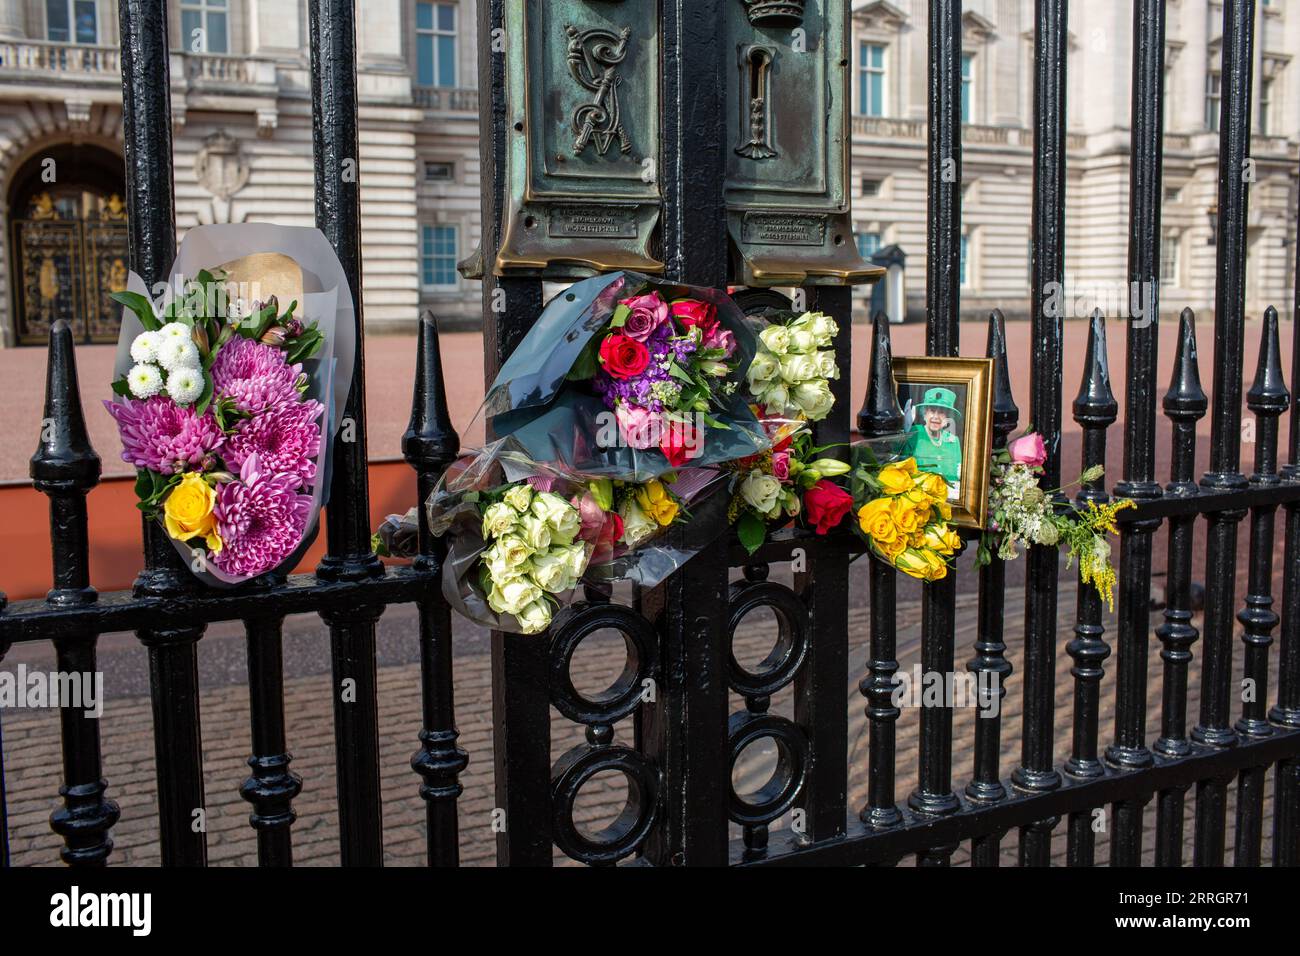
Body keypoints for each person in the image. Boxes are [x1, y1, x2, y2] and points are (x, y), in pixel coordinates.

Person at [901, 386, 962, 491]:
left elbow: (959, 474)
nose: (936, 417)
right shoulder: (913, 433)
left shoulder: (954, 440)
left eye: (942, 412)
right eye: (932, 411)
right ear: (924, 414)